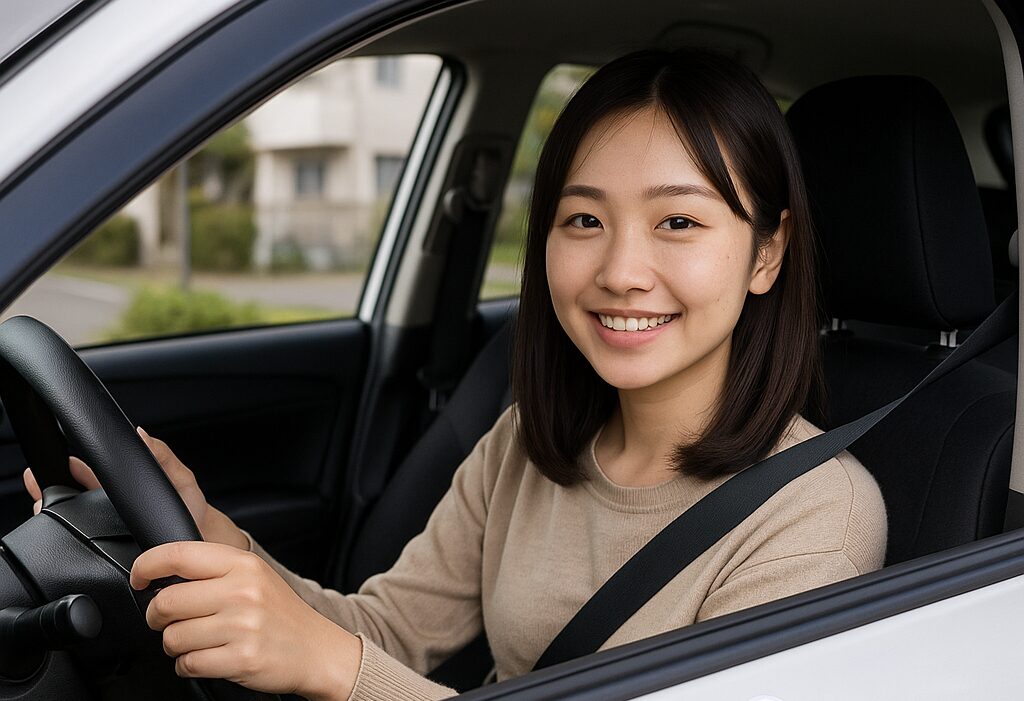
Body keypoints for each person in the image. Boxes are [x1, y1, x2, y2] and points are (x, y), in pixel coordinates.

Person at [24, 48, 886, 701]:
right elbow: (391, 630)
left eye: (678, 222)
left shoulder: (817, 518)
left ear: (767, 252)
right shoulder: (527, 443)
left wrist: (339, 668)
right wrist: (210, 531)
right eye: (584, 217)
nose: (622, 269)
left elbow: (354, 659)